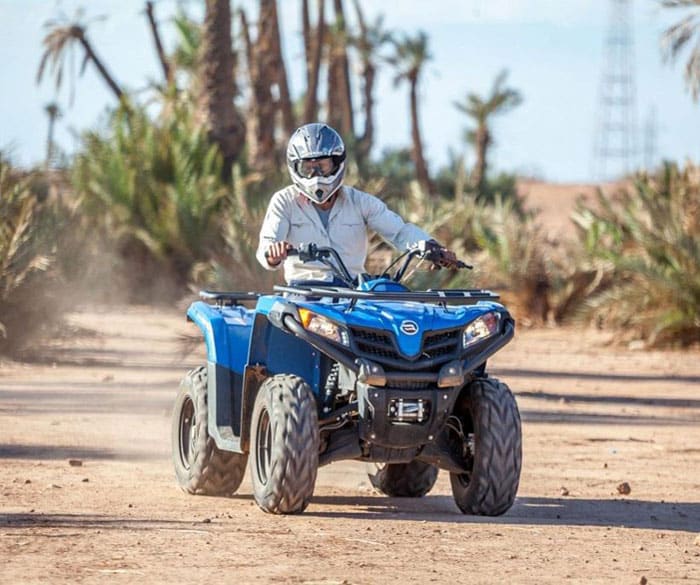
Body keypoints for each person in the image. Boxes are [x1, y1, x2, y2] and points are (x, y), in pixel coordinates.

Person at [256, 122, 458, 284]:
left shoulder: (360, 202)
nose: (316, 175)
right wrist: (273, 253)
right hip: (304, 295)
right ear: (295, 168)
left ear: (337, 163)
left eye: (323, 166)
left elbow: (399, 232)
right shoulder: (284, 201)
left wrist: (432, 248)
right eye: (308, 168)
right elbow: (267, 244)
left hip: (353, 293)